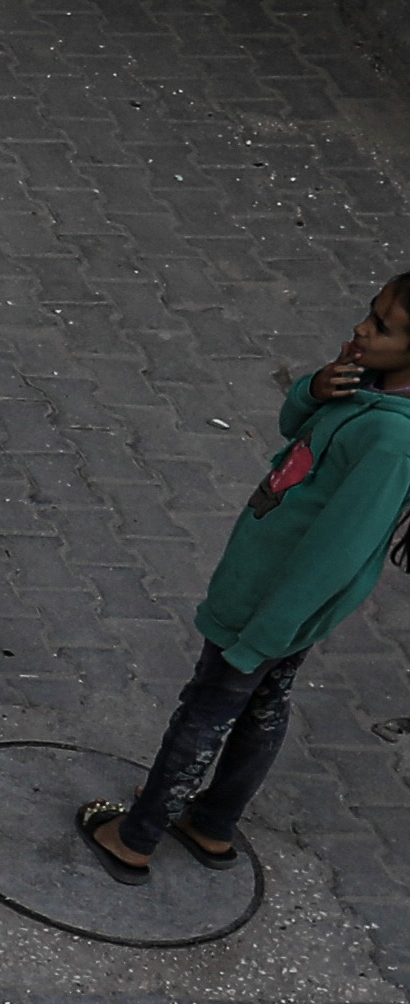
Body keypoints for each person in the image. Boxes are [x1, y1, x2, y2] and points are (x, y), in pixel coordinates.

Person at [87, 277, 410, 872]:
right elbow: (295, 427)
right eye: (370, 313)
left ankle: (137, 835)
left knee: (208, 706)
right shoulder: (364, 388)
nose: (362, 329)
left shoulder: (393, 438)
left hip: (272, 603)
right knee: (263, 704)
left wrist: (268, 630)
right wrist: (316, 386)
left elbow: (338, 550)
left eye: (384, 328)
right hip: (277, 602)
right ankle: (211, 823)